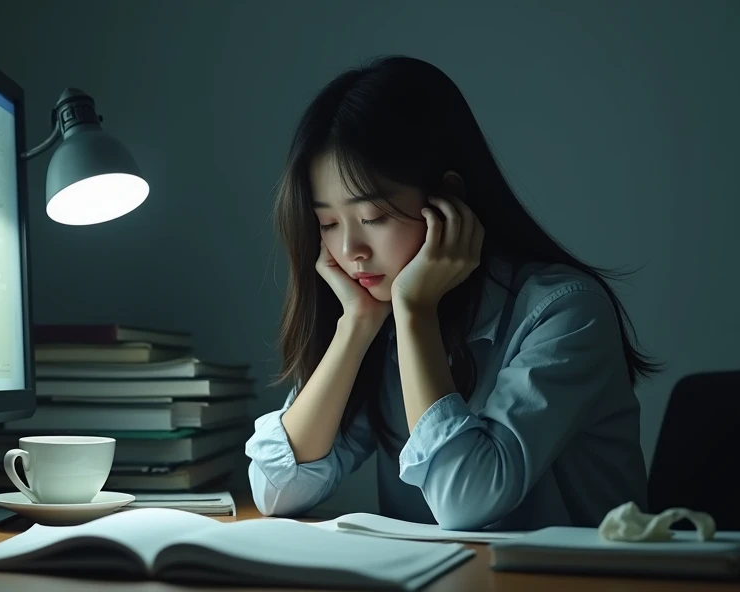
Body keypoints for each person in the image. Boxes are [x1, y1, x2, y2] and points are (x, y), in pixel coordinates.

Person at [245, 55, 660, 531]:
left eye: (373, 217)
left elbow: (467, 501)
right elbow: (277, 489)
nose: (349, 249)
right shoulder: (376, 316)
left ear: (448, 202)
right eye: (328, 223)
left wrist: (416, 312)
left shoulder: (565, 311)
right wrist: (355, 326)